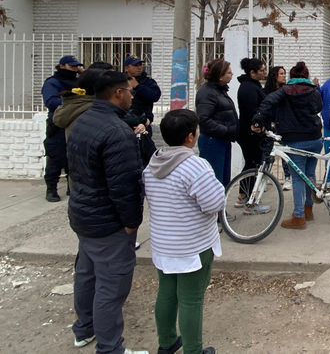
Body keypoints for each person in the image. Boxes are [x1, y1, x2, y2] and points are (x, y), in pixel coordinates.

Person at [67, 71, 148, 354]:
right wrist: (130, 223)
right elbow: (124, 185)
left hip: (84, 215)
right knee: (111, 288)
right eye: (129, 90)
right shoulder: (116, 132)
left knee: (87, 275)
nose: (132, 94)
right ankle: (110, 348)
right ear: (118, 93)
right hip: (108, 222)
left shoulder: (84, 120)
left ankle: (84, 330)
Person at [143, 109, 222, 354]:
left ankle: (166, 343)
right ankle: (193, 350)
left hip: (163, 244)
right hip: (192, 246)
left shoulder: (152, 164)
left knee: (166, 293)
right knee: (191, 299)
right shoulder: (195, 166)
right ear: (190, 136)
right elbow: (214, 203)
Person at [252, 61, 323, 230]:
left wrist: (258, 120)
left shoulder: (284, 91)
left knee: (298, 178)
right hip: (315, 138)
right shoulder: (313, 91)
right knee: (309, 174)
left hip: (295, 139)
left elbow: (268, 102)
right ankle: (308, 210)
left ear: (291, 77)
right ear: (306, 76)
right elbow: (318, 107)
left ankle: (298, 217)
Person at [42, 55, 82, 202]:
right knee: (55, 156)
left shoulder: (78, 81)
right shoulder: (53, 82)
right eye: (72, 66)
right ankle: (51, 188)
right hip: (58, 123)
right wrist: (72, 98)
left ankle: (71, 187)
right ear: (62, 66)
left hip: (75, 122)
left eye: (77, 66)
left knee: (74, 156)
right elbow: (51, 101)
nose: (75, 68)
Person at [195, 58, 238, 186]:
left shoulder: (220, 90)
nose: (232, 75)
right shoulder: (208, 92)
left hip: (223, 140)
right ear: (220, 76)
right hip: (212, 141)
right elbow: (203, 119)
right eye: (229, 72)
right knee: (214, 181)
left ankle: (221, 206)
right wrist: (225, 130)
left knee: (224, 181)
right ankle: (213, 206)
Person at [235, 57, 268, 211]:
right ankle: (248, 199)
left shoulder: (253, 86)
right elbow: (252, 111)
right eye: (261, 70)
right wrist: (257, 125)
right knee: (253, 165)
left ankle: (244, 195)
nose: (264, 73)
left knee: (251, 164)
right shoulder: (248, 88)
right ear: (252, 73)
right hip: (250, 133)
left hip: (251, 132)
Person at [264, 65, 292, 189]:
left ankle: (288, 178)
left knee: (285, 153)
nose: (284, 76)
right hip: (270, 125)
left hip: (283, 125)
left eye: (284, 73)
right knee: (268, 153)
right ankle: (264, 178)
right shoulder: (266, 92)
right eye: (281, 73)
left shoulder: (286, 91)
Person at [124, 55, 161, 137]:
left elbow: (155, 96)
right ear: (126, 68)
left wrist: (138, 86)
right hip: (124, 121)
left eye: (140, 65)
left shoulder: (148, 81)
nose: (139, 68)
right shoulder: (121, 81)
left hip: (144, 122)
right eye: (135, 65)